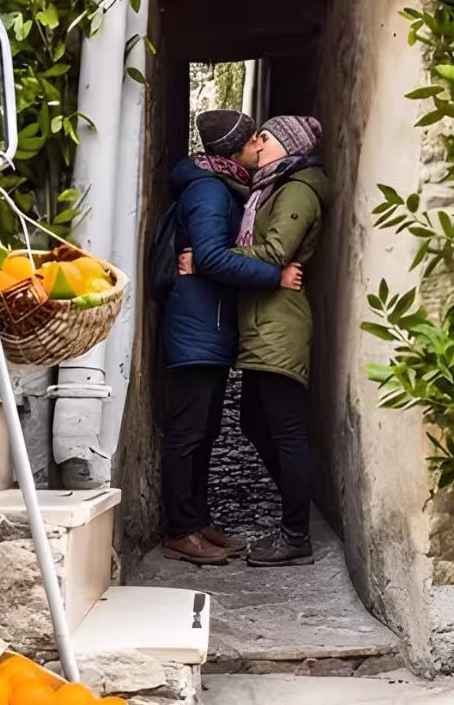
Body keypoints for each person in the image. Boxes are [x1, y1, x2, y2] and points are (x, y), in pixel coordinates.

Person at [160, 109, 303, 566]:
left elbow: (207, 258)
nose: (257, 149)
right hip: (197, 327)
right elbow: (212, 257)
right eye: (251, 143)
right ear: (237, 149)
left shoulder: (222, 188)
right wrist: (274, 275)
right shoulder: (208, 190)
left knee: (205, 432)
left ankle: (199, 520)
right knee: (187, 433)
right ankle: (181, 529)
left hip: (211, 325)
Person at [235, 115, 331, 567]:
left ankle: (296, 535)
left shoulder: (297, 189)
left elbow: (276, 252)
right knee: (253, 420)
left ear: (286, 146)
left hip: (281, 325)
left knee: (287, 429)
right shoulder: (271, 187)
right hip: (263, 322)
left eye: (266, 136)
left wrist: (215, 255)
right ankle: (297, 507)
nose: (258, 142)